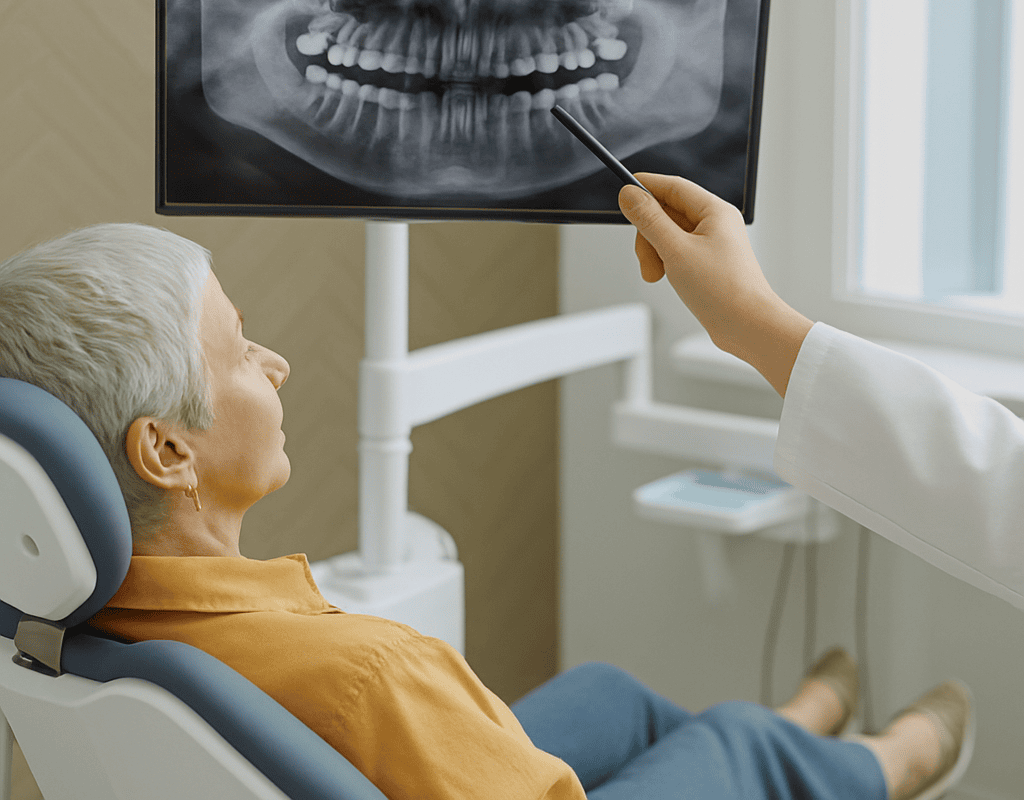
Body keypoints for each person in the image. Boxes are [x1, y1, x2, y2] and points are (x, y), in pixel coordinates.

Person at [0, 223, 972, 800]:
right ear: (166, 449)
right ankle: (877, 763)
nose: (277, 364)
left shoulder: (65, 626)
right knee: (725, 742)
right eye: (242, 350)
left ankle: (797, 728)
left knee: (609, 696)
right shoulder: (372, 672)